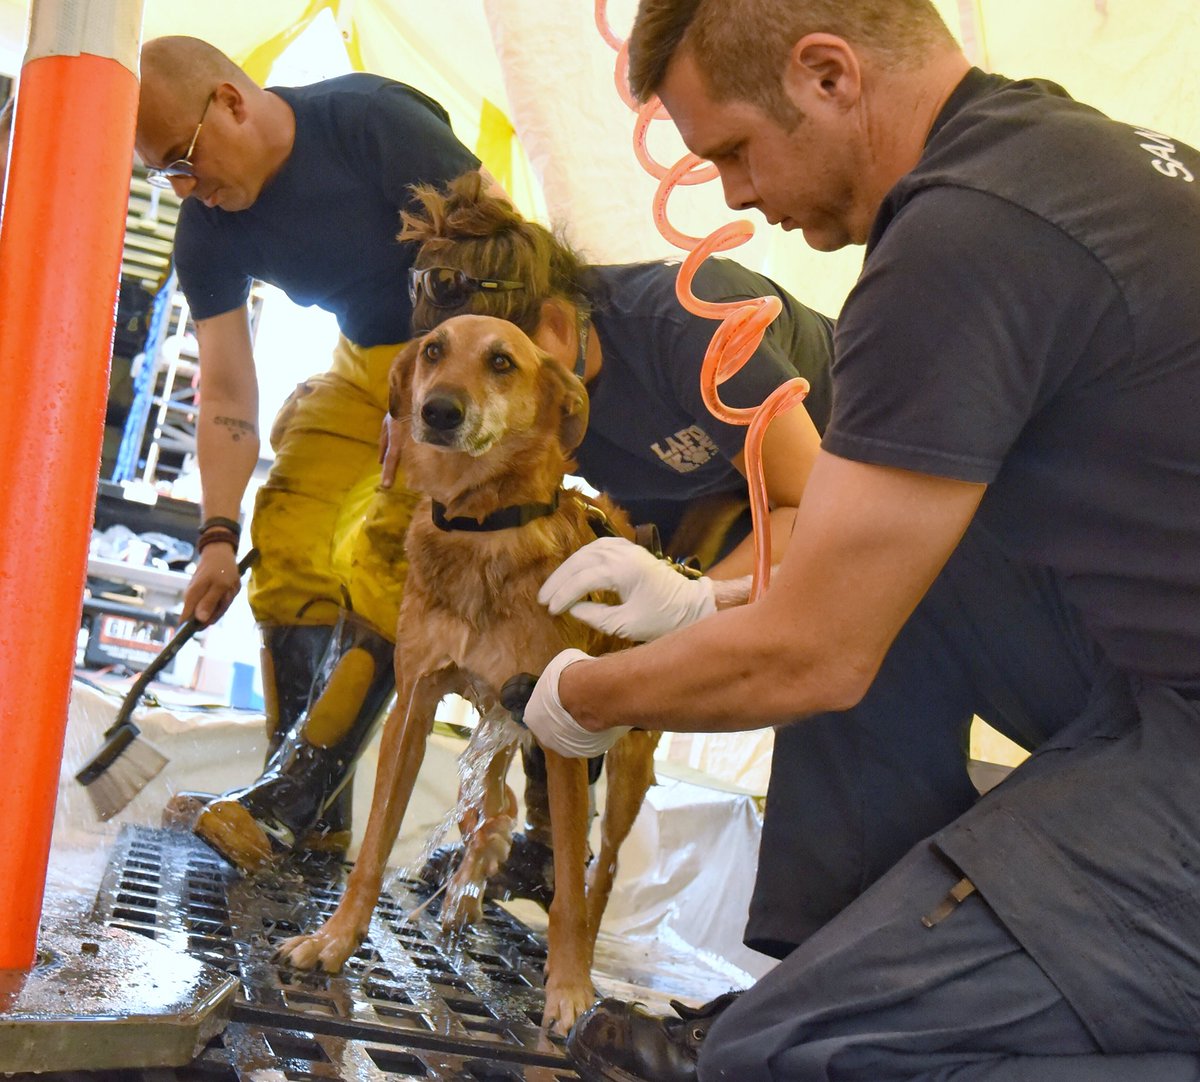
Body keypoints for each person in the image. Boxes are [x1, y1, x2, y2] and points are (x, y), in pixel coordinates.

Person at [520, 2, 1200, 1080]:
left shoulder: (966, 234)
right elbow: (856, 573)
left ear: (828, 76)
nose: (736, 193)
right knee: (924, 557)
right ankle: (834, 965)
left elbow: (815, 652)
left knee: (791, 1058)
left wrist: (576, 697)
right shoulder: (1050, 155)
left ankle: (827, 1022)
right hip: (1149, 680)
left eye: (736, 150)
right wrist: (711, 602)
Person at [384, 169, 834, 904]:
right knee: (568, 618)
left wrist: (695, 600)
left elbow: (814, 506)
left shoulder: (692, 321)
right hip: (703, 498)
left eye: (501, 364)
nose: (479, 388)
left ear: (557, 328)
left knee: (828, 718)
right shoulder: (520, 394)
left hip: (847, 483)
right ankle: (544, 846)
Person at [134, 36, 487, 872]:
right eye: (164, 174)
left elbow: (500, 255)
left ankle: (292, 799)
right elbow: (223, 389)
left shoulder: (370, 122)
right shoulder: (207, 228)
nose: (187, 188)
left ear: (231, 99)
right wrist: (216, 538)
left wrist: (432, 400)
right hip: (365, 364)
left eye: (184, 159)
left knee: (387, 554)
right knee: (288, 541)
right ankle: (303, 820)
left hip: (463, 364)